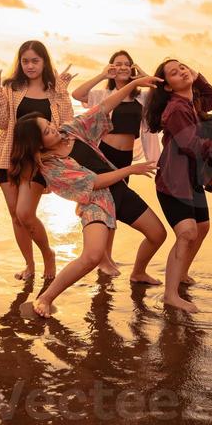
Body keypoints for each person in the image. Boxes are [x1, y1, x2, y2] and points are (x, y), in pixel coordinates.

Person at [8, 74, 167, 317]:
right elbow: (94, 183)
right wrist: (131, 169)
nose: (54, 129)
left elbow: (102, 108)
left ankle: (138, 272)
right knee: (92, 255)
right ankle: (46, 298)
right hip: (96, 203)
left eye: (49, 124)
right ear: (37, 143)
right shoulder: (52, 168)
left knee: (158, 234)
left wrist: (133, 85)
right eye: (47, 131)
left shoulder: (71, 131)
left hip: (120, 192)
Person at [144, 59, 212, 313]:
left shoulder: (193, 101)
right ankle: (170, 294)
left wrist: (193, 73)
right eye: (173, 73)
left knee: (202, 227)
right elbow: (193, 146)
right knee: (187, 232)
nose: (181, 71)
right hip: (173, 182)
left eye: (182, 67)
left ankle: (181, 273)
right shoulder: (175, 109)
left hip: (192, 180)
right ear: (167, 86)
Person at [0, 41, 76, 281]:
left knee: (26, 214)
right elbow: (3, 123)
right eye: (25, 61)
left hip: (39, 161)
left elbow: (67, 123)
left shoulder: (55, 90)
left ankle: (48, 254)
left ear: (44, 62)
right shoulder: (13, 87)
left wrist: (63, 90)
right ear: (19, 62)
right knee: (15, 215)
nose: (30, 66)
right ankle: (29, 265)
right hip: (10, 156)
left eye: (35, 60)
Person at [72, 50, 161, 275]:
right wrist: (102, 75)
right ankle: (102, 259)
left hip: (126, 158)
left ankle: (107, 257)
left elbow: (160, 95)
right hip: (105, 154)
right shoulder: (105, 94)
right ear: (111, 67)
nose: (122, 67)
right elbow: (77, 93)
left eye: (126, 64)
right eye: (117, 64)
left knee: (115, 206)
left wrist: (142, 76)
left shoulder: (141, 97)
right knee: (104, 205)